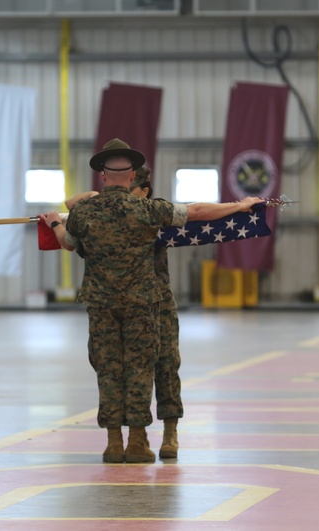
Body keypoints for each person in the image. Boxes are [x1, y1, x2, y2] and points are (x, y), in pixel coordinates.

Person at [43, 138, 262, 464]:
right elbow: (199, 212)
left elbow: (69, 244)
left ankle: (113, 444)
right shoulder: (148, 209)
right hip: (141, 303)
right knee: (140, 370)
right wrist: (240, 206)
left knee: (108, 371)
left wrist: (57, 224)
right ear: (132, 177)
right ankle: (137, 443)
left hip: (101, 305)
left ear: (102, 176)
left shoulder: (84, 211)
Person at [62, 165, 183, 460]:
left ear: (144, 191)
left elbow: (70, 226)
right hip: (138, 300)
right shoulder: (130, 211)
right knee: (129, 368)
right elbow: (72, 204)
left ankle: (169, 431)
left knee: (166, 365)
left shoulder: (150, 213)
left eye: (136, 191)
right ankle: (131, 439)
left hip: (157, 298)